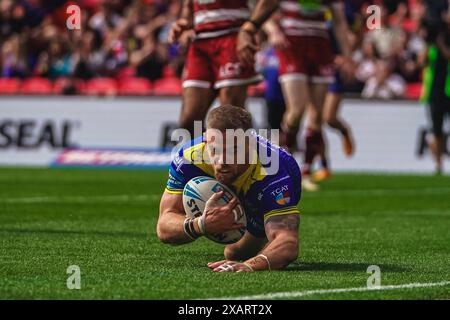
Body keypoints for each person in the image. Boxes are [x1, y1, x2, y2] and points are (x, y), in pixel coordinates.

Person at [157, 105, 301, 272]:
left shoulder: (274, 170)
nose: (222, 160)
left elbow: (288, 243)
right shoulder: (188, 157)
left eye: (234, 150)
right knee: (234, 253)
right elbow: (164, 228)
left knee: (236, 253)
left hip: (259, 197)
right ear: (205, 140)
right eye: (215, 150)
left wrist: (249, 265)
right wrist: (201, 224)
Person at [245, 0, 353, 191]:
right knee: (296, 111)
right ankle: (283, 162)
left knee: (317, 116)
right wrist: (273, 31)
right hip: (292, 46)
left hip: (320, 46)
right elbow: (263, 8)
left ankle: (305, 172)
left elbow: (339, 21)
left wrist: (347, 56)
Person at [167, 0, 264, 136]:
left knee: (231, 117)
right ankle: (205, 156)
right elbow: (188, 6)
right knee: (189, 121)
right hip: (200, 41)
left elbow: (271, 2)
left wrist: (249, 29)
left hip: (232, 36)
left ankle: (248, 154)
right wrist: (185, 22)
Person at [422, 8, 450, 174]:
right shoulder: (433, 40)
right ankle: (438, 165)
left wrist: (439, 42)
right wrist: (429, 41)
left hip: (448, 89)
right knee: (436, 130)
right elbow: (422, 61)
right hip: (435, 91)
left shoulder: (441, 41)